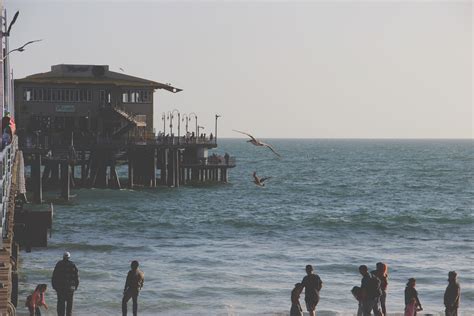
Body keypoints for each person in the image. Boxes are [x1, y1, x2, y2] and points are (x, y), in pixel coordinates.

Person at [52, 252, 79, 316]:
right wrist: (76, 286)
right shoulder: (73, 265)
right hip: (70, 288)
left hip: (60, 288)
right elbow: (77, 277)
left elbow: (54, 276)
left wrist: (54, 286)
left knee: (60, 305)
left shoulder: (59, 264)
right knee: (69, 305)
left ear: (63, 257)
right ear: (69, 257)